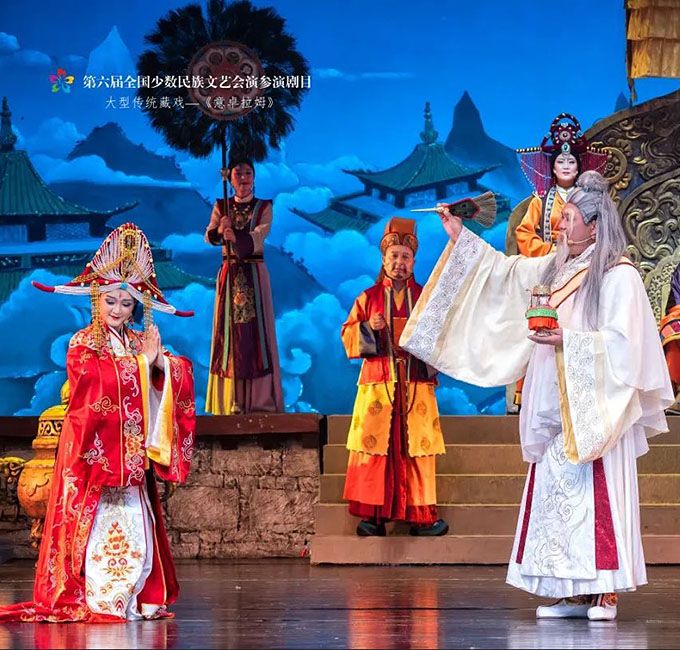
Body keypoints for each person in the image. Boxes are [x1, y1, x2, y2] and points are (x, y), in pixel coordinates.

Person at [401, 172, 673, 620]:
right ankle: (568, 590)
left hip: (594, 401)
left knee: (595, 490)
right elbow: (505, 274)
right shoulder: (556, 267)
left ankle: (605, 590)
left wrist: (569, 339)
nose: (560, 225)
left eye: (569, 218)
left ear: (594, 226)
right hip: (552, 393)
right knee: (554, 490)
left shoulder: (617, 274)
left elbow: (626, 344)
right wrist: (459, 236)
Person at [0, 223, 196, 622]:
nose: (118, 310)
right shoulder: (82, 343)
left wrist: (160, 363)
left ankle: (136, 597)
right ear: (97, 299)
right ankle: (95, 597)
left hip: (132, 459)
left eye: (126, 303)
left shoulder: (138, 342)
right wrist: (141, 365)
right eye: (111, 301)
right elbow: (93, 385)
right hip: (93, 457)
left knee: (136, 526)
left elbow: (175, 371)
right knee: (96, 529)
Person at [340, 217, 448, 537]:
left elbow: (441, 338)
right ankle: (373, 517)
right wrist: (367, 328)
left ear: (413, 261)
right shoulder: (368, 298)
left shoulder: (426, 298)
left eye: (405, 257)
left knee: (417, 448)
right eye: (394, 256)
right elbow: (347, 336)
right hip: (379, 384)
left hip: (415, 384)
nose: (399, 263)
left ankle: (421, 515)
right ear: (384, 259)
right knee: (377, 447)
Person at [204, 157, 283, 415]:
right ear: (229, 178)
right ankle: (231, 400)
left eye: (248, 172)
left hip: (254, 273)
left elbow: (259, 235)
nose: (244, 178)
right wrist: (220, 231)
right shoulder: (221, 206)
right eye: (238, 173)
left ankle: (259, 402)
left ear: (254, 177)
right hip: (229, 274)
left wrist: (235, 236)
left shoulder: (264, 207)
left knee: (256, 336)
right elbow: (209, 235)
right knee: (229, 335)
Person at [515, 113, 608, 258]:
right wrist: (550, 251)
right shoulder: (540, 201)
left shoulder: (589, 199)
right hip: (550, 258)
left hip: (585, 258)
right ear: (553, 169)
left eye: (571, 162)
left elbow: (602, 229)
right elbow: (524, 233)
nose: (566, 166)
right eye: (560, 162)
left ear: (577, 169)